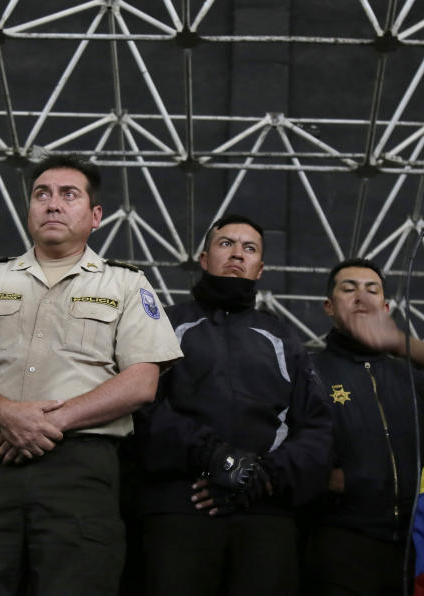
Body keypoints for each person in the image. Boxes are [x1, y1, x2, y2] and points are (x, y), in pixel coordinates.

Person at [0, 154, 183, 596]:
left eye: (69, 195)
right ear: (29, 210)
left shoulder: (126, 284)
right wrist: (5, 412)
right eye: (42, 194)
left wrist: (42, 423)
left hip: (80, 468)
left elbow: (142, 381)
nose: (53, 204)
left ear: (95, 215)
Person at [133, 214, 333, 596]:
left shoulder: (284, 337)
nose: (238, 254)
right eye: (226, 243)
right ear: (204, 258)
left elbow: (317, 428)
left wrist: (260, 478)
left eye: (250, 248)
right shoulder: (165, 324)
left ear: (260, 269)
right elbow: (141, 408)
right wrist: (215, 456)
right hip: (180, 507)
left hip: (265, 514)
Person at [302, 258, 424, 595]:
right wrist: (323, 476)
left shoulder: (415, 379)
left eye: (372, 290)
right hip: (341, 541)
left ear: (386, 306)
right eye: (348, 289)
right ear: (329, 307)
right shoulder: (307, 373)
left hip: (416, 548)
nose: (361, 298)